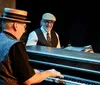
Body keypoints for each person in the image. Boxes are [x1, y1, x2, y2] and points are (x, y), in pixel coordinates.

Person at [0, 8, 64, 85]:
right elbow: (29, 80)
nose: (24, 30)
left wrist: (30, 71)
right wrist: (49, 72)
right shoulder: (16, 45)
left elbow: (10, 66)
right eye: (24, 26)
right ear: (15, 26)